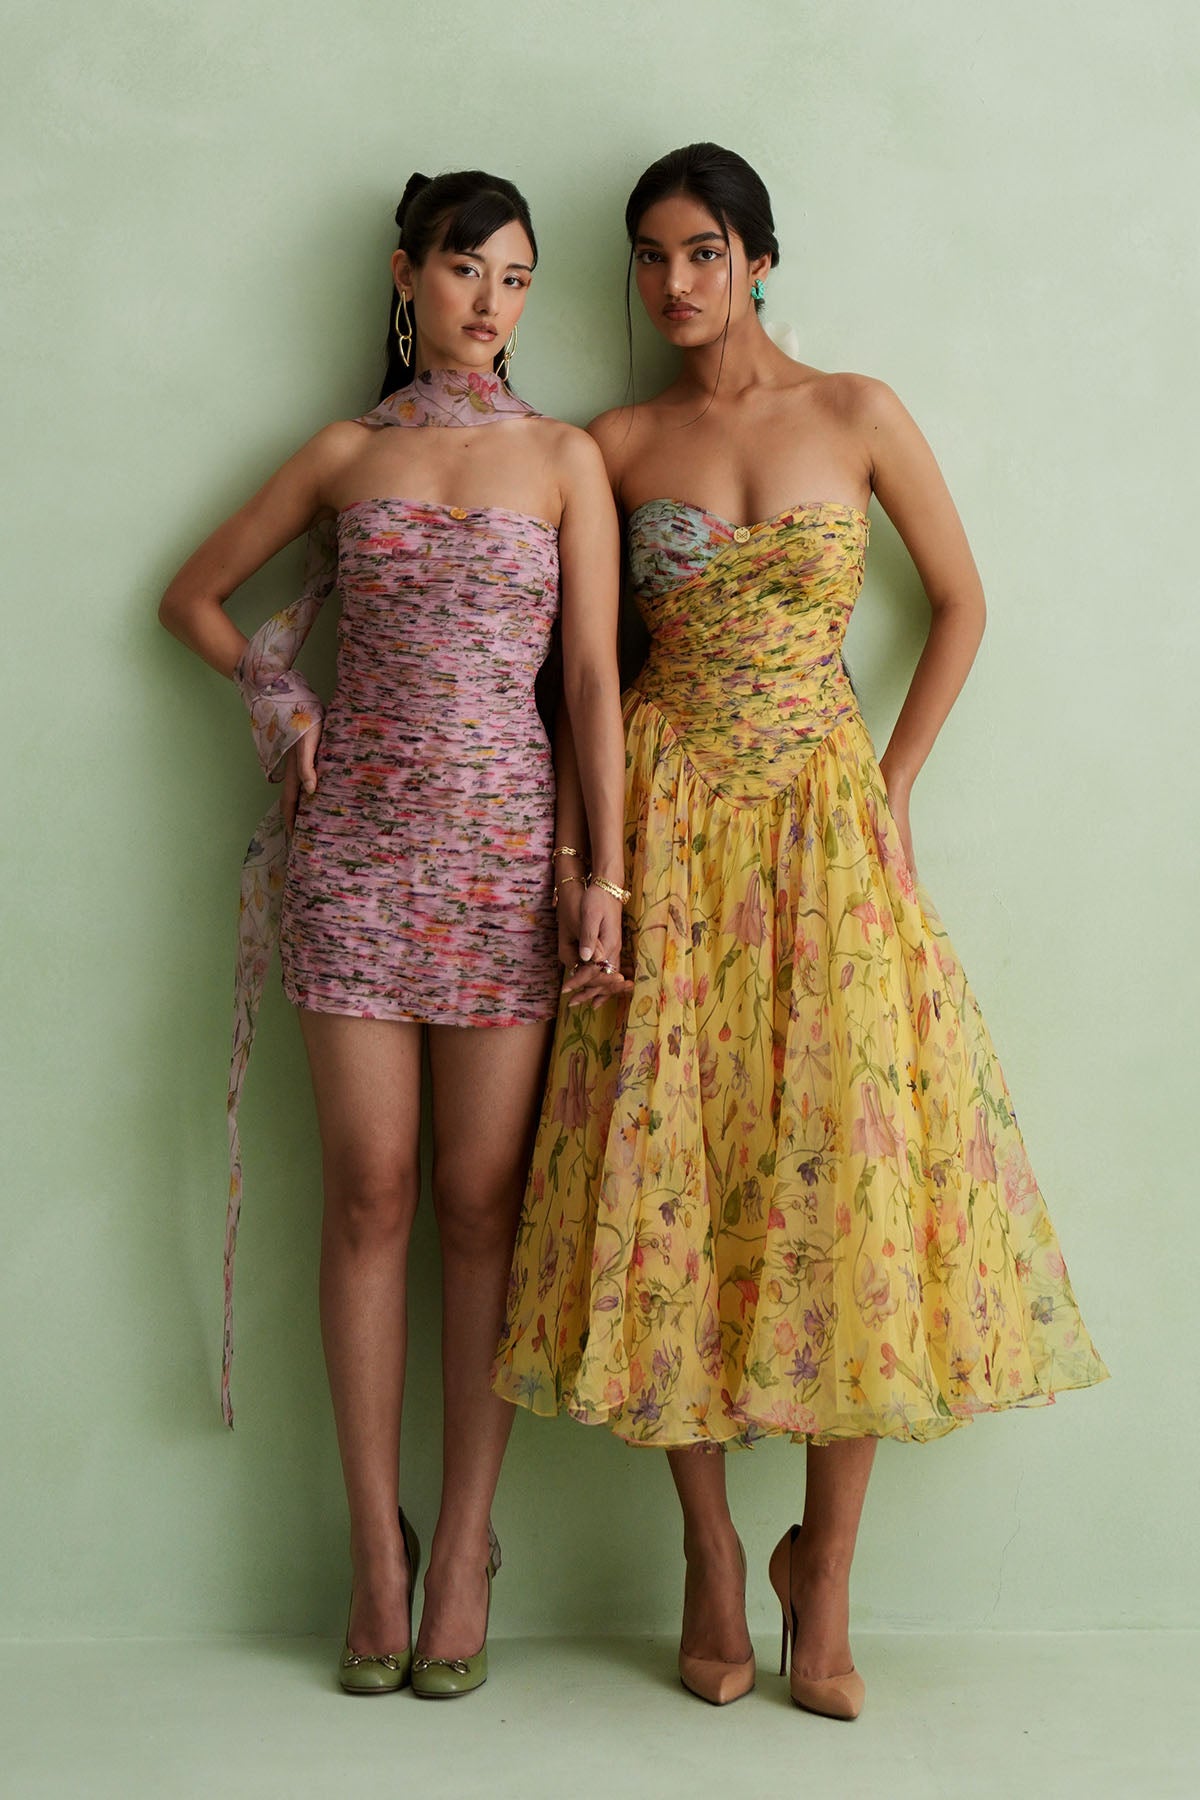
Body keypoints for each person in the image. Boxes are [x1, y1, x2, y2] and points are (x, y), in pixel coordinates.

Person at [493, 142, 1108, 1719]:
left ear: (760, 259)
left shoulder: (857, 412)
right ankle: (710, 1551)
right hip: (673, 821)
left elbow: (961, 602)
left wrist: (893, 781)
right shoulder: (616, 442)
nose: (675, 282)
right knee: (678, 1166)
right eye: (650, 257)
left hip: (828, 824)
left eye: (703, 252)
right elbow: (580, 678)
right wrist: (591, 856)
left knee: (851, 1164)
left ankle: (821, 1569)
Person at [159, 169, 627, 1698]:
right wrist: (282, 705)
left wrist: (601, 871)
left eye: (518, 278)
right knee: (369, 1192)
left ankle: (469, 1543)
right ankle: (377, 1548)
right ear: (407, 274)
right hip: (355, 855)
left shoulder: (565, 457)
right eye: (467, 269)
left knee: (482, 1202)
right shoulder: (344, 455)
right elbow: (194, 599)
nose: (492, 302)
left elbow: (593, 685)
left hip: (510, 861)